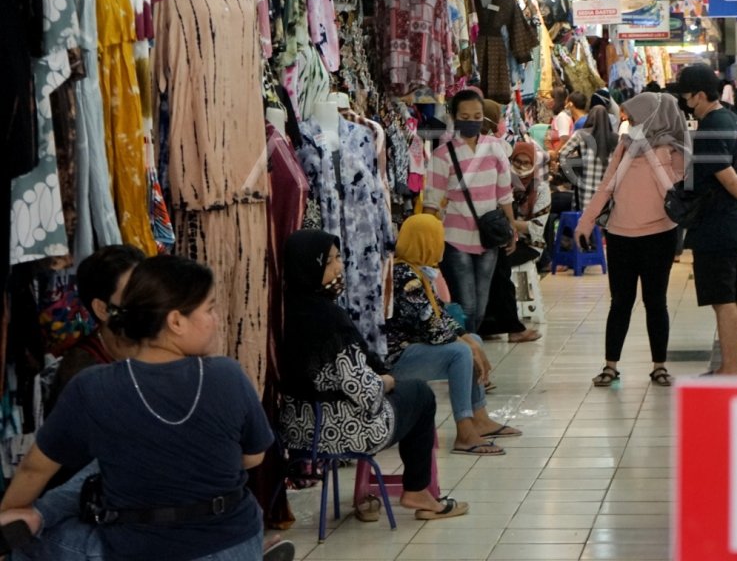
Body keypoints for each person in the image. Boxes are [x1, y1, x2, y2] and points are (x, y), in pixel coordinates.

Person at [0, 255, 276, 560]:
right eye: (209, 308)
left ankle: (29, 518)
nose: (216, 318)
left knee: (34, 536)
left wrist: (11, 510)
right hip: (238, 546)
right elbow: (253, 456)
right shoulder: (228, 374)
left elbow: (35, 467)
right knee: (105, 470)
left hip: (139, 549)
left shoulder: (93, 386)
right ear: (175, 321)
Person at [278, 231, 466, 520]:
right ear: (311, 265)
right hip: (346, 432)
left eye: (339, 258)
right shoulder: (330, 321)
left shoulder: (283, 312)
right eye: (331, 261)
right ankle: (417, 490)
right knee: (420, 395)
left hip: (298, 432)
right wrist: (386, 381)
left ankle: (365, 496)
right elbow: (363, 392)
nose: (340, 267)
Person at [385, 216, 521, 456]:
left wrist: (468, 339)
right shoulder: (405, 277)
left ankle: (479, 417)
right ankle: (465, 430)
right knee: (460, 352)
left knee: (473, 340)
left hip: (412, 349)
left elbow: (442, 316)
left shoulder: (417, 270)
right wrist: (466, 345)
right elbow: (432, 329)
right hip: (396, 359)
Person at [578, 93, 688, 388]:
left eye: (634, 117)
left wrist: (651, 152)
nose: (628, 122)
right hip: (620, 235)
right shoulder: (623, 148)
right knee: (620, 303)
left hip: (659, 235)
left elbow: (673, 188)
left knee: (656, 302)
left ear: (651, 117)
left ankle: (659, 366)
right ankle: (610, 365)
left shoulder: (673, 149)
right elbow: (606, 186)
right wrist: (585, 222)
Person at [676, 65, 737, 376]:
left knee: (723, 300)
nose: (686, 104)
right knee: (726, 298)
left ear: (701, 95)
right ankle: (728, 366)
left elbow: (727, 176)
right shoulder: (734, 120)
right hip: (734, 222)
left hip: (719, 225)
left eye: (687, 98)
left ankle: (730, 369)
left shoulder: (712, 125)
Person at [423, 89, 517, 334]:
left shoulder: (496, 148)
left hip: (489, 238)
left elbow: (504, 192)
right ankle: (469, 355)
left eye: (477, 115)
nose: (472, 120)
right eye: (465, 115)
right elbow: (431, 202)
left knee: (482, 304)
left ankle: (471, 351)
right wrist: (428, 241)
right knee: (468, 305)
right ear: (454, 117)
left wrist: (511, 227)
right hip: (454, 238)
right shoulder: (442, 155)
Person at [46, 245, 145, 414]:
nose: (148, 304)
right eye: (134, 296)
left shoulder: (164, 347)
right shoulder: (80, 376)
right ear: (102, 309)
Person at [480, 143, 545, 343]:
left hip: (529, 244)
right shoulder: (503, 182)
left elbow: (537, 228)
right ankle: (495, 325)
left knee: (500, 267)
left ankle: (504, 325)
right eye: (517, 161)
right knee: (494, 265)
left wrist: (510, 226)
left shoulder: (541, 190)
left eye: (527, 162)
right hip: (503, 239)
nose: (522, 166)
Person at [558, 105, 620, 214]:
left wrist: (572, 172)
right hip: (607, 193)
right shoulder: (615, 138)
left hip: (585, 190)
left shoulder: (581, 135)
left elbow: (562, 154)